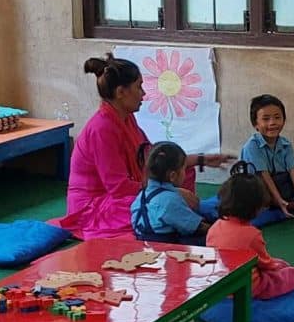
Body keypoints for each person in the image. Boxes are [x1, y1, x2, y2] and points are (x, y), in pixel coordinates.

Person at [57, 53, 230, 239]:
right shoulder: (102, 128)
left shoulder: (126, 116)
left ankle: (181, 214)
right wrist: (171, 192)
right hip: (95, 206)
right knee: (156, 206)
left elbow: (152, 157)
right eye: (139, 87)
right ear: (121, 92)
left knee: (182, 171)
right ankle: (184, 218)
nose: (144, 94)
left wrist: (199, 159)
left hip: (122, 194)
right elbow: (119, 188)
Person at [207, 162, 294, 299]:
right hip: (251, 288)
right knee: (289, 273)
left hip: (223, 285)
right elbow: (266, 265)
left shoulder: (215, 227)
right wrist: (278, 266)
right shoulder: (251, 235)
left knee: (282, 265)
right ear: (256, 207)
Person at [240, 94, 294, 221]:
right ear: (255, 124)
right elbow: (264, 176)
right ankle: (281, 203)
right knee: (257, 188)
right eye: (266, 119)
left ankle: (285, 203)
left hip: (276, 182)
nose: (272, 123)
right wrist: (279, 200)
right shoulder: (252, 145)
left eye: (277, 117)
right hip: (256, 186)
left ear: (284, 120)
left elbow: (293, 169)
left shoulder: (285, 144)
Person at [131, 142, 211, 245]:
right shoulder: (170, 200)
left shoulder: (140, 196)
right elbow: (194, 226)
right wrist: (218, 229)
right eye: (183, 169)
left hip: (143, 245)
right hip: (163, 248)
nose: (185, 173)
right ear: (173, 176)